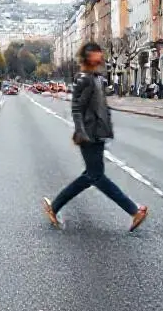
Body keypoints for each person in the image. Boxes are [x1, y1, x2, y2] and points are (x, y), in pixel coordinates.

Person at [43, 42, 149, 232]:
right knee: (96, 176)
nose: (100, 56)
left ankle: (54, 207)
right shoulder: (84, 79)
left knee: (90, 176)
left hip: (98, 133)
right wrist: (81, 131)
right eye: (95, 53)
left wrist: (107, 129)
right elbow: (76, 108)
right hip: (89, 135)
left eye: (99, 52)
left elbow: (101, 108)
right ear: (87, 57)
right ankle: (133, 211)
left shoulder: (97, 78)